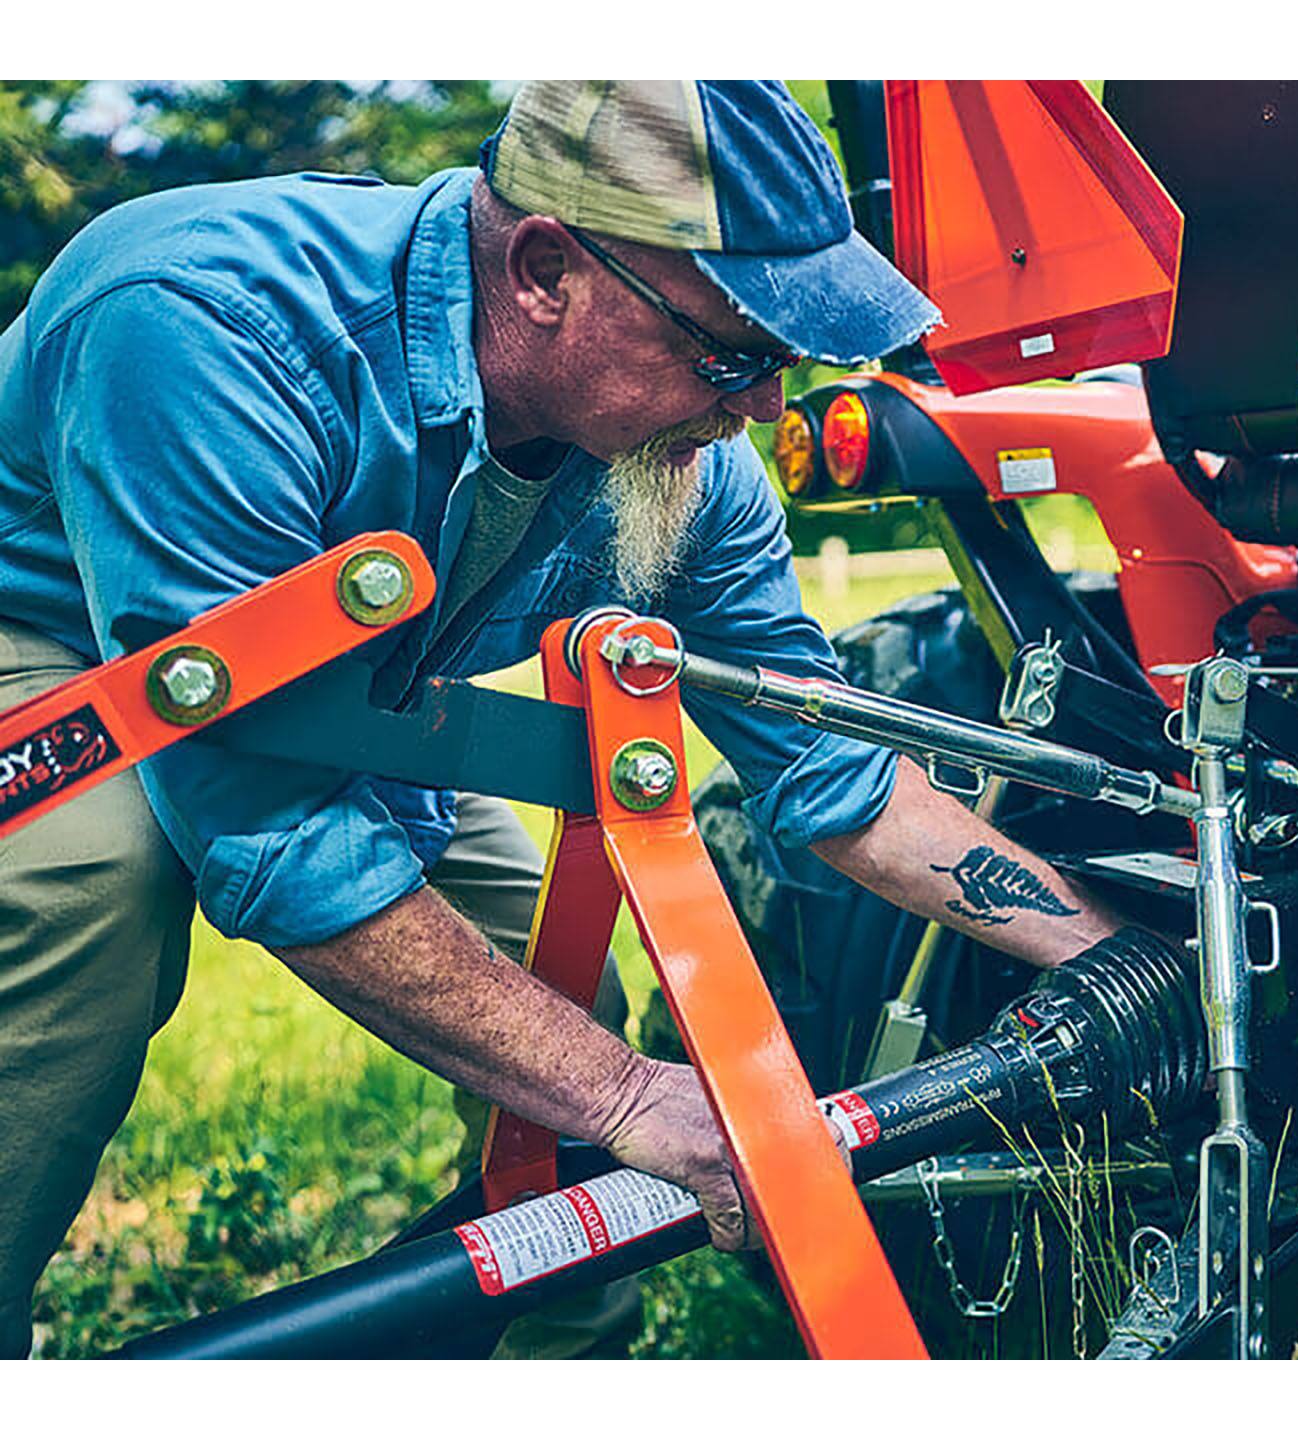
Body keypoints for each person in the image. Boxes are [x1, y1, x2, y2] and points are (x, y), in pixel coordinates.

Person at [0, 80, 1126, 1358]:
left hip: (352, 696)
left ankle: (568, 1353)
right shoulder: (202, 326)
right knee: (91, 872)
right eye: (733, 354)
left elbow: (828, 766)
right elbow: (266, 827)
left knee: (557, 994)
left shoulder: (689, 466)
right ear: (545, 271)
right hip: (58, 648)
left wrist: (1106, 955)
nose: (763, 409)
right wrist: (629, 1093)